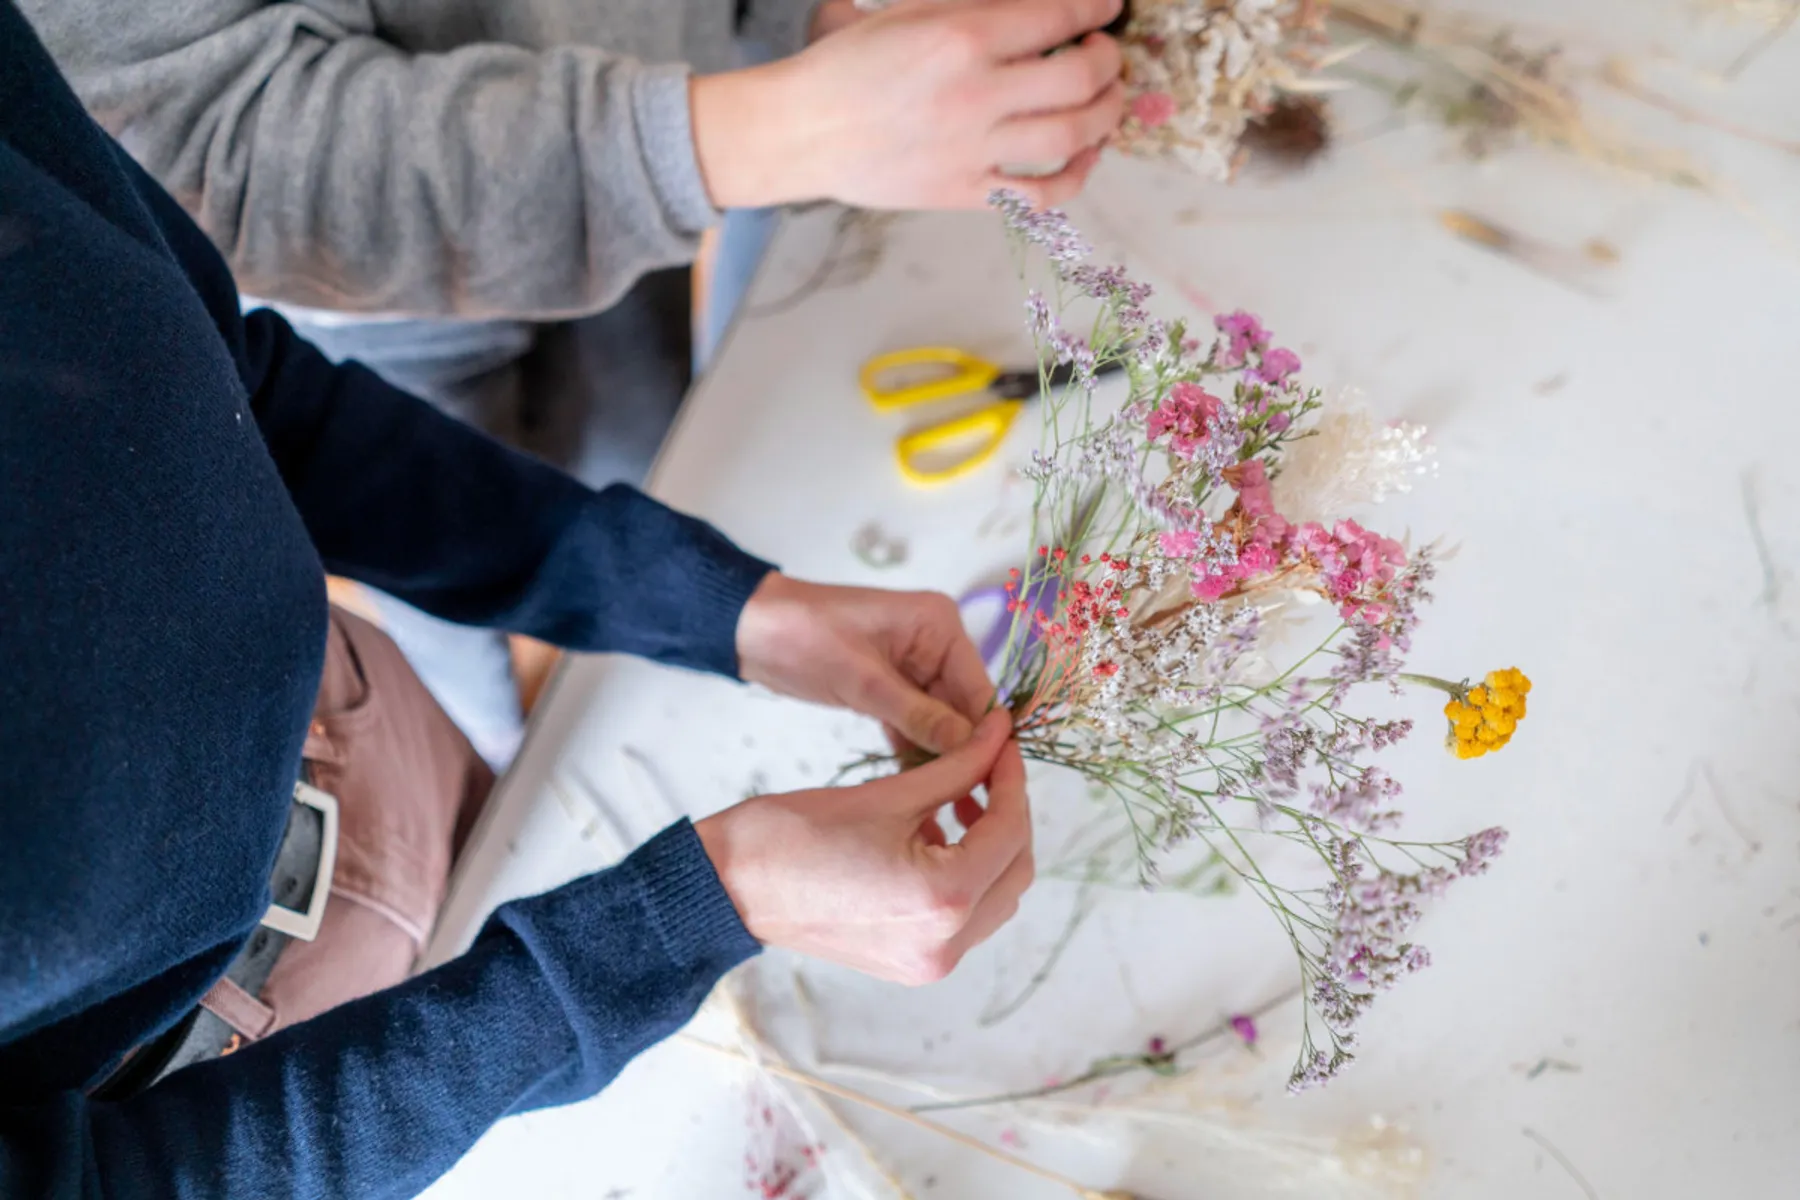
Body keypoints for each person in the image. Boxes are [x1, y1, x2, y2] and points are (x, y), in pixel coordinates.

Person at [0, 6, 1035, 1194]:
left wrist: (711, 605)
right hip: (232, 1087)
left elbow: (225, 384)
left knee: (517, 803)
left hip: (358, 722)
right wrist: (696, 908)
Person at [18, 0, 1130, 769]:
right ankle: (493, 743)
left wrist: (779, 34)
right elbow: (208, 133)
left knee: (654, 451)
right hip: (377, 293)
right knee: (449, 597)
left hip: (663, 131)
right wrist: (762, 128)